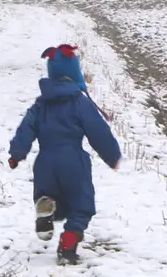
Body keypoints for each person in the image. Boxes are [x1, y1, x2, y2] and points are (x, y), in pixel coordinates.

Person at [8, 45, 121, 265]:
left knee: (55, 201)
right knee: (81, 205)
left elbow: (25, 129)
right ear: (75, 73)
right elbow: (98, 130)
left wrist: (16, 154)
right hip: (73, 162)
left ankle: (46, 205)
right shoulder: (80, 102)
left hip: (44, 163)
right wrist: (112, 155)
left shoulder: (40, 105)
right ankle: (68, 246)